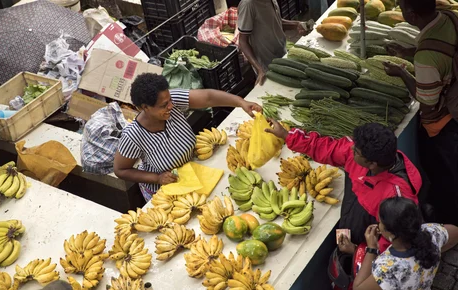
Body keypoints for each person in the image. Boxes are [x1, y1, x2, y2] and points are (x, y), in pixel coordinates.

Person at [266, 122, 422, 252]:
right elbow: (325, 147)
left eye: (357, 151)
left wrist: (358, 251)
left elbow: (396, 245)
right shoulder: (363, 155)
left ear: (372, 164)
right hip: (351, 221)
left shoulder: (397, 198)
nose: (351, 149)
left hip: (366, 251)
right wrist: (287, 135)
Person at [114, 73, 262, 202]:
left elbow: (208, 97)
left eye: (170, 100)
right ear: (145, 107)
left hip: (191, 173)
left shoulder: (170, 100)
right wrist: (157, 178)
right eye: (164, 105)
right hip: (165, 190)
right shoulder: (133, 136)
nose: (171, 106)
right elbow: (121, 170)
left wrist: (241, 102)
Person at [383, 0, 458, 225]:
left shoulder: (426, 57)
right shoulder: (449, 17)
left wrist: (402, 73)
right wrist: (410, 51)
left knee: (445, 176)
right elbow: (444, 49)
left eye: (402, 8)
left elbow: (427, 101)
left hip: (444, 123)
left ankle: (448, 223)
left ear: (412, 15)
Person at [353, 197, 458, 290]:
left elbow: (357, 288)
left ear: (392, 234)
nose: (378, 224)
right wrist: (437, 249)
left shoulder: (388, 270)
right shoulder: (432, 232)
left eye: (380, 222)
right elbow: (455, 232)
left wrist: (372, 248)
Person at [237, 0, 312, 85]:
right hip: (265, 64)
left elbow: (277, 22)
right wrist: (259, 69)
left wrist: (297, 24)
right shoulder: (248, 5)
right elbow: (243, 41)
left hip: (281, 53)